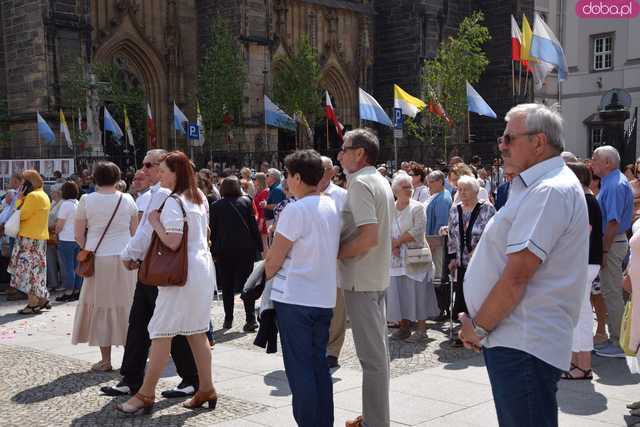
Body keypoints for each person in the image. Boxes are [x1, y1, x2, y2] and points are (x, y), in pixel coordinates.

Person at [458, 103, 589, 427]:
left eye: (509, 138)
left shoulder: (549, 191)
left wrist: (480, 328)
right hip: (518, 339)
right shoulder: (538, 186)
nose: (501, 144)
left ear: (539, 142)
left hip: (523, 341)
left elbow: (517, 276)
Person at [116, 151, 217, 415]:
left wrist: (155, 222)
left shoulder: (173, 200)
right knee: (196, 332)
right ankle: (205, 387)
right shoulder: (198, 197)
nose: (159, 175)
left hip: (182, 274)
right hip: (201, 269)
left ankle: (145, 394)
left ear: (176, 172)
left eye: (163, 171)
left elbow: (171, 241)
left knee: (160, 331)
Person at [102, 149, 199, 400]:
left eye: (149, 165)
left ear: (162, 168)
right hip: (151, 267)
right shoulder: (157, 194)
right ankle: (132, 378)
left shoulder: (166, 196)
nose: (142, 169)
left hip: (160, 268)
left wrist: (128, 255)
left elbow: (147, 232)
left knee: (167, 327)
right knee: (140, 324)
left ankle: (189, 379)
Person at [265, 149, 341, 427]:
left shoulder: (296, 210)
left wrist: (267, 274)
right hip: (322, 297)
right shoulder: (331, 205)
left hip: (296, 298)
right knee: (319, 365)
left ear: (297, 177)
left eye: (287, 175)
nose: (287, 181)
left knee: (300, 370)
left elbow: (274, 258)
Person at [338, 129, 394, 427]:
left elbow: (368, 236)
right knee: (378, 357)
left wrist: (336, 252)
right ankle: (373, 416)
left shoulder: (360, 183)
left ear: (359, 153)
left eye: (344, 149)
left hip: (362, 278)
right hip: (375, 276)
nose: (340, 154)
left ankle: (375, 422)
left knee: (372, 361)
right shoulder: (379, 180)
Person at [71, 163, 138, 371]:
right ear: (118, 177)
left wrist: (87, 248)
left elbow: (78, 235)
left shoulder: (86, 200)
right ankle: (131, 358)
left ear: (94, 178)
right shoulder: (127, 199)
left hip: (98, 259)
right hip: (125, 258)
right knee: (128, 306)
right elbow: (135, 232)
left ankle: (106, 360)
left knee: (100, 306)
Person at [590, 145, 634, 358]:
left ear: (607, 163)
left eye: (595, 159)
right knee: (610, 292)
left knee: (612, 293)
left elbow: (613, 222)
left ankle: (618, 342)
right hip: (613, 243)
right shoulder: (612, 182)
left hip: (612, 244)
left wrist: (605, 251)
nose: (591, 163)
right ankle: (615, 338)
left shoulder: (614, 185)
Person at [561, 162, 602, 380]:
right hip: (585, 263)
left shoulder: (584, 201)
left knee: (580, 316)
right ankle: (578, 362)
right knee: (578, 315)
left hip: (583, 263)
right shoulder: (587, 199)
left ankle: (583, 364)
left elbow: (581, 234)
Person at [387, 173, 438, 342]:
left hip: (416, 255)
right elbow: (384, 229)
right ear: (396, 190)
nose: (409, 190)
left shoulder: (418, 207)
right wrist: (391, 244)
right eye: (405, 187)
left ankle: (422, 330)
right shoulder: (390, 208)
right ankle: (404, 327)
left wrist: (397, 242)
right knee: (399, 291)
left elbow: (418, 230)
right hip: (396, 259)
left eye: (410, 186)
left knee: (418, 292)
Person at [446, 175, 496, 340]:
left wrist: (480, 249)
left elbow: (493, 234)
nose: (462, 193)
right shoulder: (455, 209)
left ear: (475, 191)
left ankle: (482, 328)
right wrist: (452, 257)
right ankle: (465, 331)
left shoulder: (487, 209)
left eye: (466, 189)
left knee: (479, 295)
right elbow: (452, 235)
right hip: (461, 262)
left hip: (481, 262)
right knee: (462, 295)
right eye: (459, 189)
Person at [211, 176, 262, 332]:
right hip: (245, 250)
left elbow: (212, 231)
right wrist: (259, 247)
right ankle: (250, 319)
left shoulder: (216, 206)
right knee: (248, 284)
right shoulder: (246, 202)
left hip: (224, 250)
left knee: (226, 286)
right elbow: (253, 227)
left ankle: (228, 319)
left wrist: (212, 251)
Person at [319, 156, 348, 369]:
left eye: (322, 169)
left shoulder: (342, 196)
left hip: (337, 262)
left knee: (337, 310)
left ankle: (333, 350)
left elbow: (349, 228)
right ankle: (319, 345)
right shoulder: (305, 194)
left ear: (332, 172)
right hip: (313, 262)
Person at [9, 170, 51, 314]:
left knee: (28, 272)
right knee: (37, 271)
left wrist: (20, 199)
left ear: (27, 184)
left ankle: (33, 303)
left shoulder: (32, 196)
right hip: (39, 238)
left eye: (22, 183)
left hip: (29, 239)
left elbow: (21, 214)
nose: (20, 186)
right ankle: (42, 299)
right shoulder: (44, 195)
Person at [425, 170, 453, 321]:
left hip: (437, 244)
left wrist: (433, 244)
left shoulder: (442, 199)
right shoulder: (437, 196)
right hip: (433, 243)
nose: (428, 185)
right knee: (437, 276)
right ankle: (438, 308)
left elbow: (441, 224)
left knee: (439, 277)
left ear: (440, 182)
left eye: (431, 181)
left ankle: (440, 309)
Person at [54, 182, 83, 302]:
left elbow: (60, 224)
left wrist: (56, 233)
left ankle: (69, 291)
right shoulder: (78, 203)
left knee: (68, 267)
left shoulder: (65, 204)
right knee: (77, 267)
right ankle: (77, 290)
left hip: (66, 239)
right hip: (76, 238)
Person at [46, 184, 62, 291]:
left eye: (53, 192)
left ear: (58, 193)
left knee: (61, 261)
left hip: (57, 235)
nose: (51, 194)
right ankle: (53, 283)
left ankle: (63, 283)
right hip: (49, 235)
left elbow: (59, 220)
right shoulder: (53, 203)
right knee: (51, 260)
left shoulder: (62, 203)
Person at [253, 172, 270, 252]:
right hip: (258, 218)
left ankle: (266, 262)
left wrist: (261, 222)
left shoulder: (265, 191)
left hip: (262, 219)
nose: (253, 181)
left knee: (264, 243)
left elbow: (264, 209)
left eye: (255, 179)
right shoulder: (259, 191)